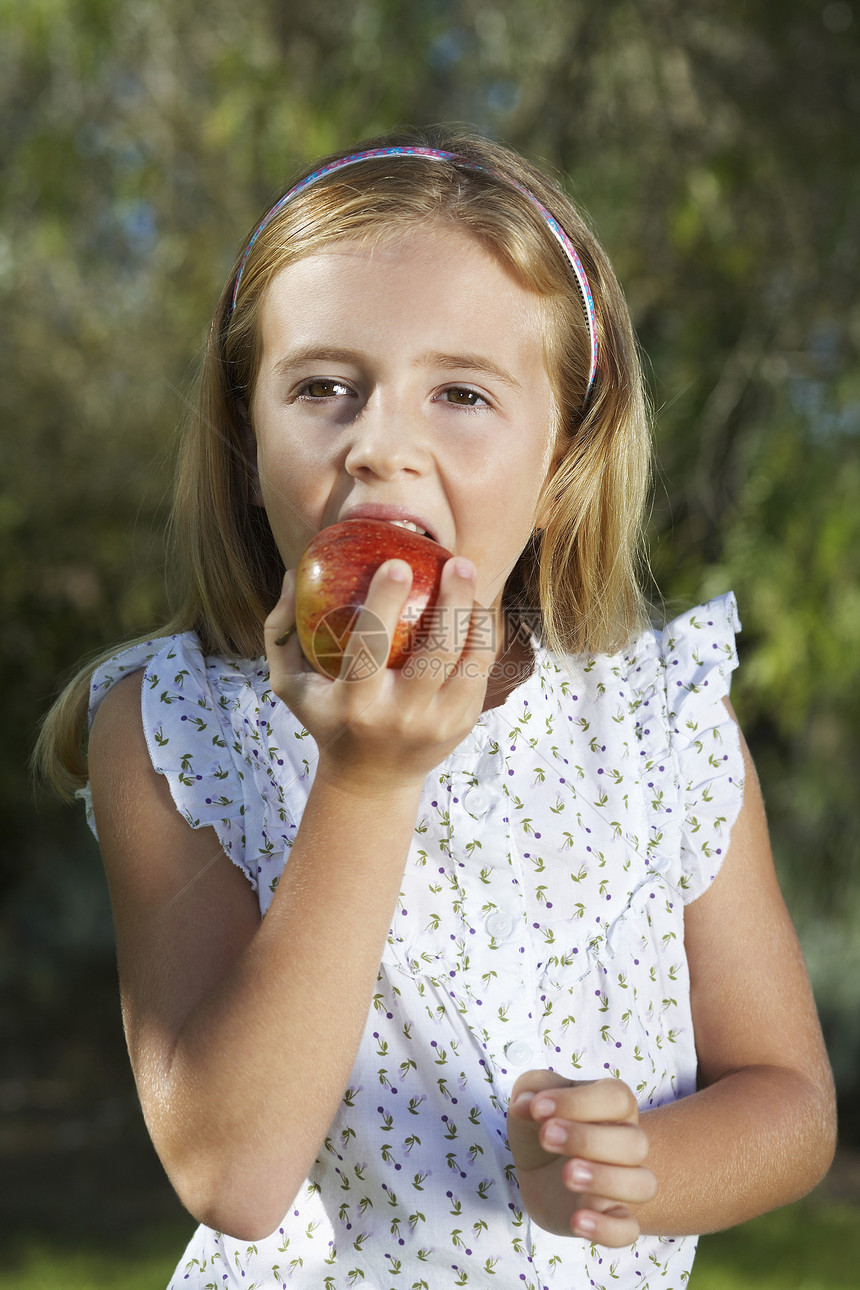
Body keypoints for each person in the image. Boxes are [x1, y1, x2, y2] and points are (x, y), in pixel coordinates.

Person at [36, 126, 836, 1290]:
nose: (381, 449)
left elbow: (789, 1104)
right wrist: (364, 783)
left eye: (459, 392)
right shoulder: (176, 728)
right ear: (245, 432)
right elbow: (235, 1173)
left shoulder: (660, 726)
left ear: (561, 466)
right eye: (322, 388)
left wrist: (635, 1170)